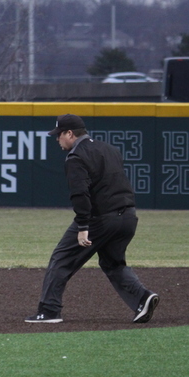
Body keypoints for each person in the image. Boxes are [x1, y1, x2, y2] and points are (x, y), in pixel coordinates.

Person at [26, 114, 159, 324]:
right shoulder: (110, 149)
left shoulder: (76, 156)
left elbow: (80, 194)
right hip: (128, 216)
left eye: (59, 135)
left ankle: (49, 311)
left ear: (70, 133)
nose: (57, 139)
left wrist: (83, 225)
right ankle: (142, 297)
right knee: (113, 264)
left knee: (61, 259)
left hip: (101, 219)